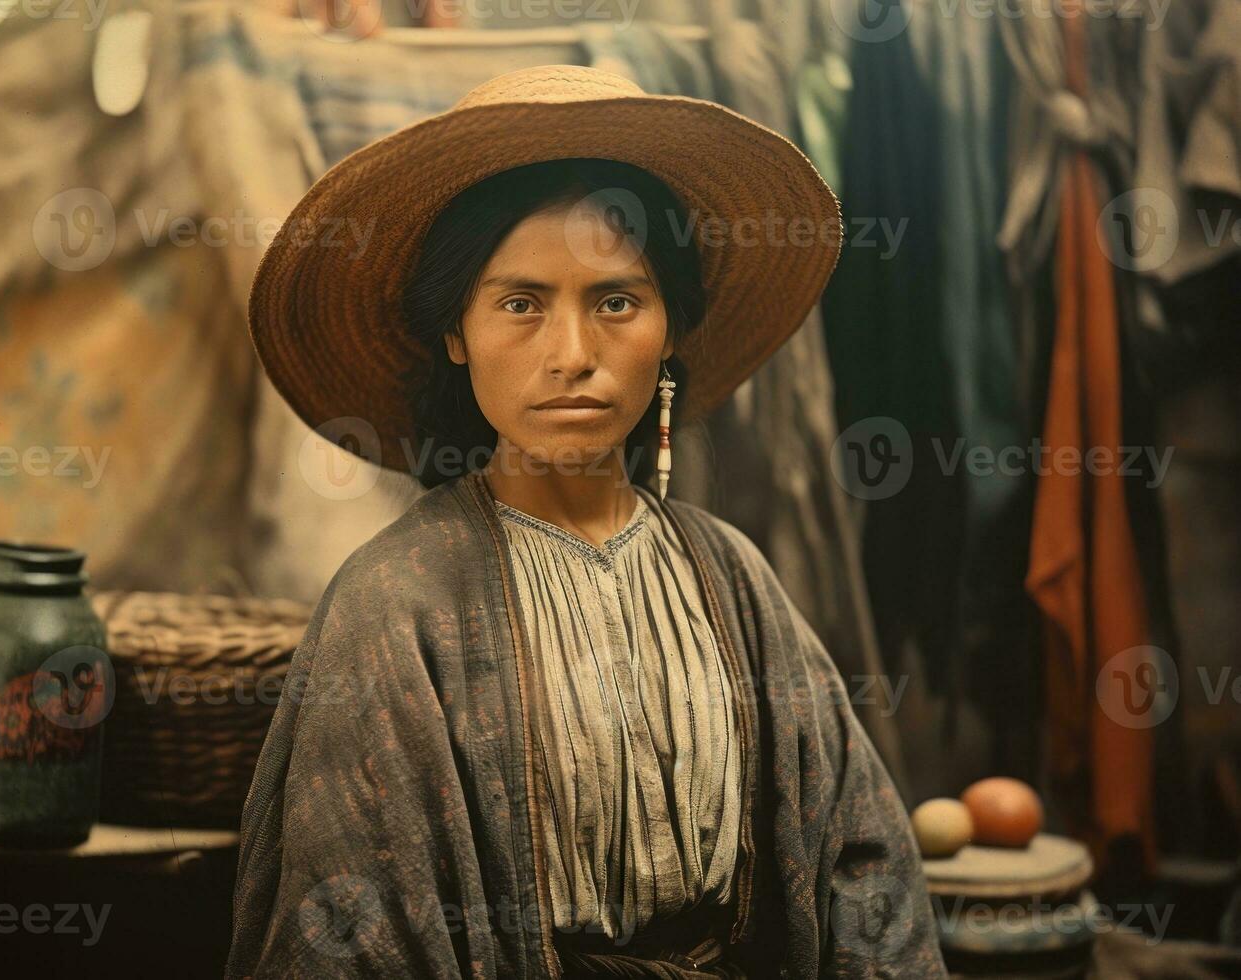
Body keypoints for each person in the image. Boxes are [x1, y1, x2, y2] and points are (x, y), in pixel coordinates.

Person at [228, 64, 946, 979]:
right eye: (520, 304)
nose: (572, 356)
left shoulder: (731, 579)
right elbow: (352, 926)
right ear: (456, 333)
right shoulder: (394, 606)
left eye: (616, 301)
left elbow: (861, 866)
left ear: (672, 327)